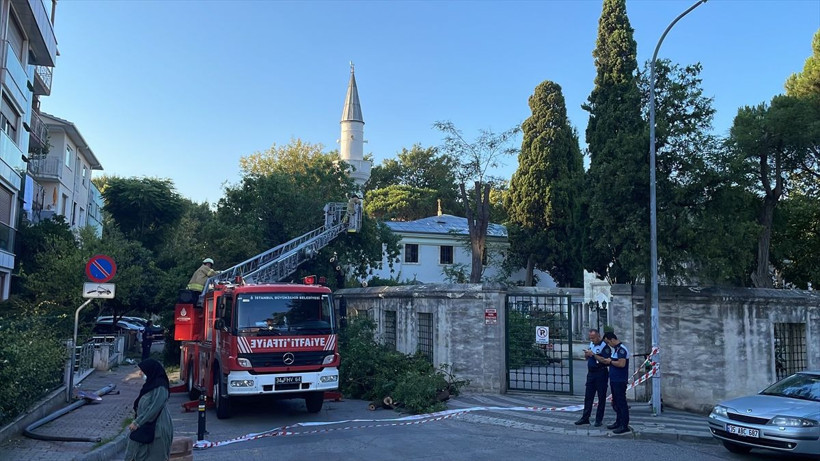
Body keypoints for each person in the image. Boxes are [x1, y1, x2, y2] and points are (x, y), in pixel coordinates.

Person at [125, 359, 173, 461]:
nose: (140, 373)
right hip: (145, 427)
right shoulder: (150, 386)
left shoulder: (160, 387)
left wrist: (138, 422)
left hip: (157, 430)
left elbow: (154, 408)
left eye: (143, 371)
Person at [574, 328, 611, 427]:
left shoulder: (605, 346)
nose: (592, 340)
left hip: (601, 373)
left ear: (598, 336)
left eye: (593, 338)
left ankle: (599, 419)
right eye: (590, 338)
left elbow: (605, 361)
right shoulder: (591, 344)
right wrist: (587, 355)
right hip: (591, 374)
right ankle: (585, 417)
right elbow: (588, 357)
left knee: (601, 397)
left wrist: (593, 355)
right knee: (588, 397)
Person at [599, 331, 630, 434]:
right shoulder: (615, 350)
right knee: (616, 402)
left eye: (608, 342)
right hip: (614, 379)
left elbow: (621, 364)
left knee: (621, 403)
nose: (608, 345)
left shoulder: (621, 350)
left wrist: (610, 362)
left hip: (620, 380)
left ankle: (624, 425)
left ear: (612, 339)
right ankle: (618, 422)